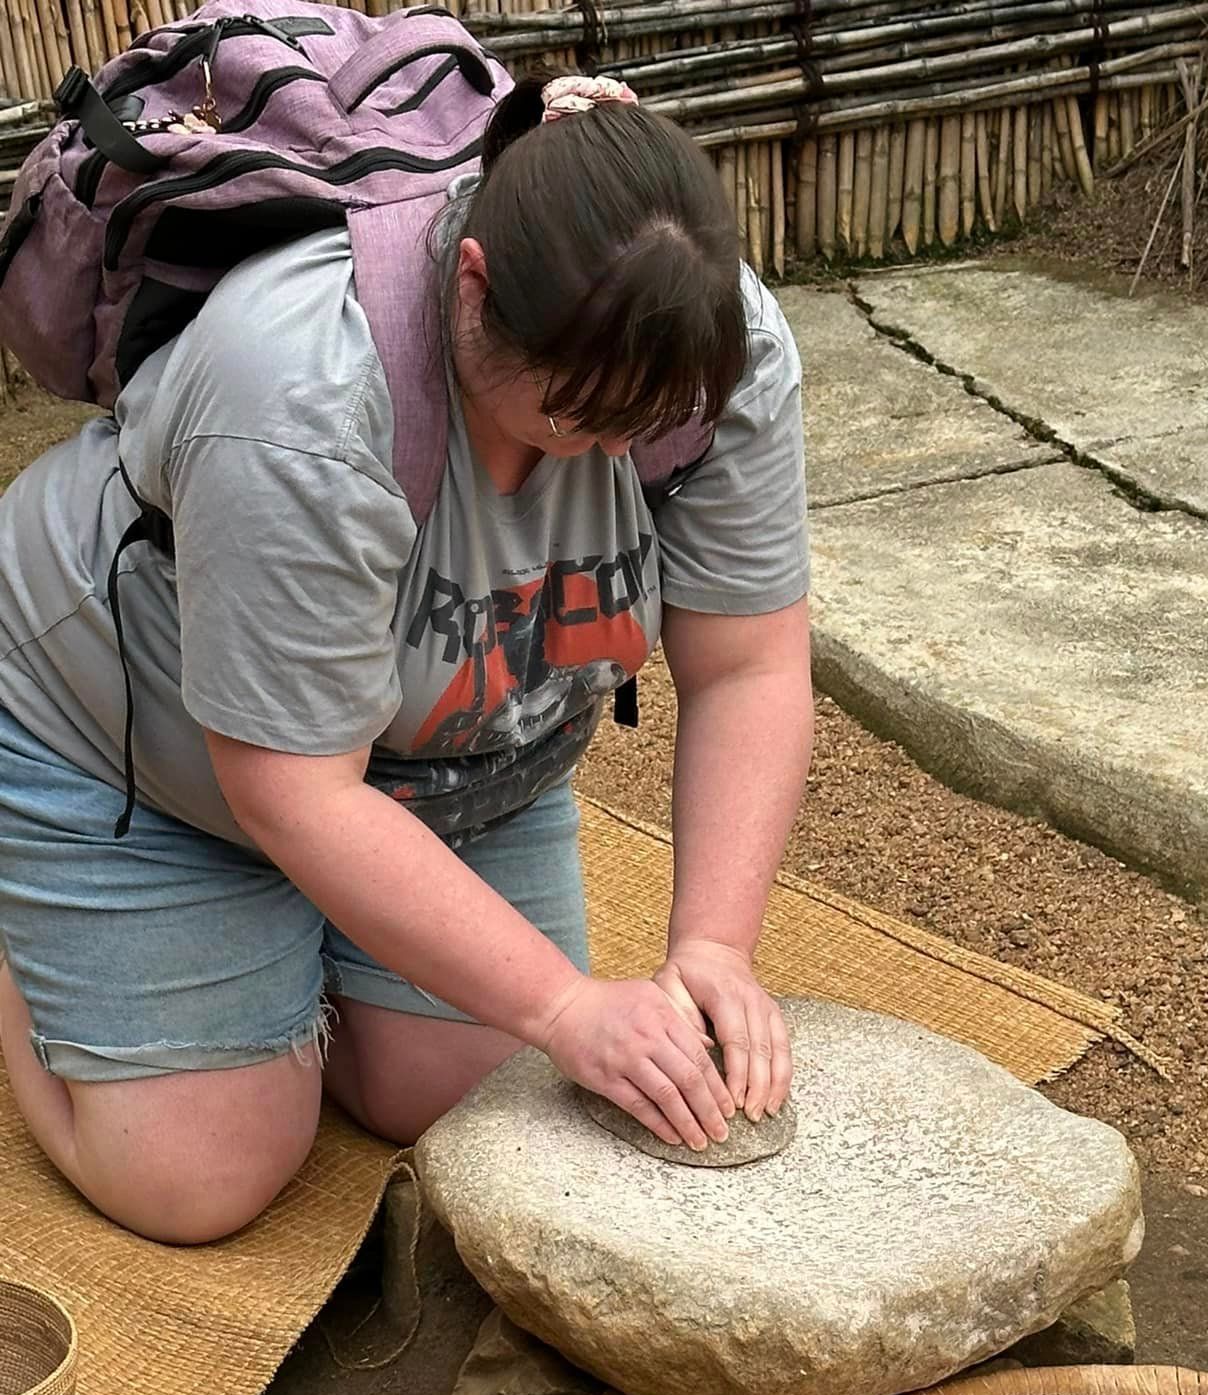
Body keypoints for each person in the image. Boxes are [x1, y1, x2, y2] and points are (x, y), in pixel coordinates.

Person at [0, 70, 813, 1245]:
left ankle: (292, 950)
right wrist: (562, 1000)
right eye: (578, 416)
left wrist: (712, 946)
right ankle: (42, 936)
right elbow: (291, 790)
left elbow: (750, 667)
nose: (614, 450)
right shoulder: (303, 388)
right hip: (139, 741)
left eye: (644, 425)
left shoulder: (710, 352)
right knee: (200, 1174)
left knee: (460, 1093)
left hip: (453, 759)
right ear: (474, 289)